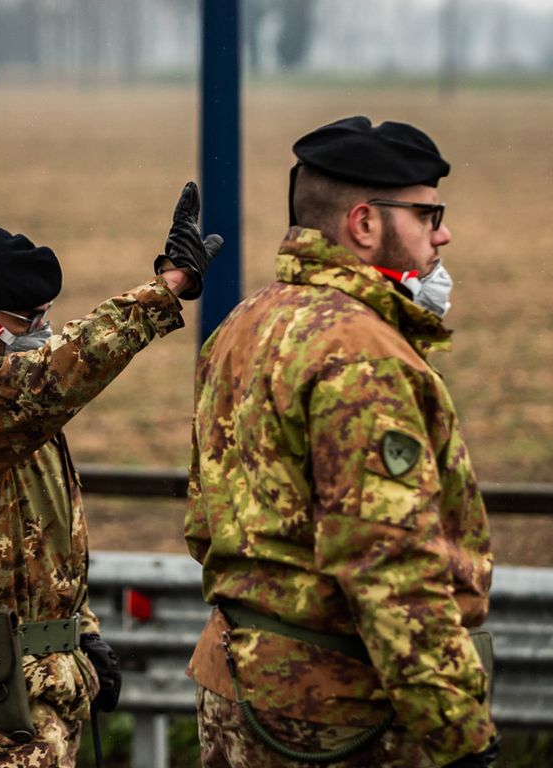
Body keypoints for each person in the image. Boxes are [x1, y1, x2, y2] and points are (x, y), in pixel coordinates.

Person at [184, 117, 499, 767]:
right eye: (426, 213)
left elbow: (202, 523)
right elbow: (388, 563)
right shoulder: (361, 352)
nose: (443, 233)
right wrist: (455, 731)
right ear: (364, 224)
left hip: (238, 691)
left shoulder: (244, 323)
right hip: (339, 717)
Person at [0, 182, 222, 767]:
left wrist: (80, 631)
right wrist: (164, 291)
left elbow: (36, 539)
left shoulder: (9, 414)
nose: (41, 330)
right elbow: (50, 379)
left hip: (47, 685)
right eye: (26, 318)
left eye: (46, 316)